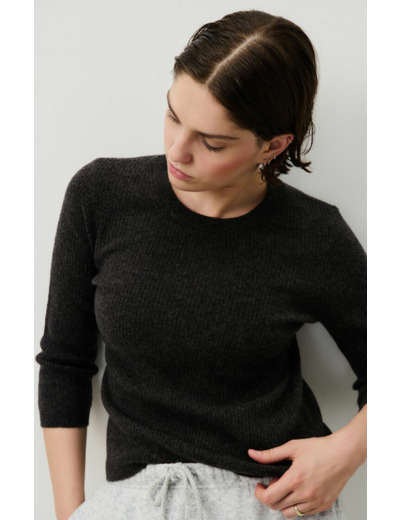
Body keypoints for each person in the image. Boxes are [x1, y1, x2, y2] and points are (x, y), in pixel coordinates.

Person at [36, 9, 366, 520]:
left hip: (270, 502)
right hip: (139, 499)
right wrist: (68, 513)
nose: (177, 151)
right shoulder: (100, 196)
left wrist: (346, 453)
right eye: (173, 116)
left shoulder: (315, 235)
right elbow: (64, 363)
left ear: (272, 145)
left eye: (211, 142)